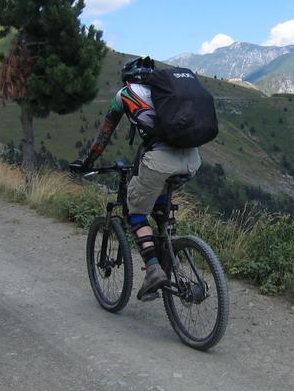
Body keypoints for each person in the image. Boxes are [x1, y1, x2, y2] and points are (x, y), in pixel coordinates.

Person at [71, 56, 202, 301]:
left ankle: (153, 269)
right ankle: (169, 250)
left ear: (128, 78)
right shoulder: (165, 91)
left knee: (135, 211)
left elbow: (104, 136)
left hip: (160, 161)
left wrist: (86, 162)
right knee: (160, 203)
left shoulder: (126, 94)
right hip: (192, 160)